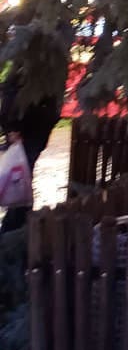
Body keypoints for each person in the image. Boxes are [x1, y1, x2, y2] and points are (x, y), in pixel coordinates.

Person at [0, 68, 63, 233]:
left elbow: (53, 108)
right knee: (20, 176)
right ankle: (16, 225)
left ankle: (16, 225)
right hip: (21, 133)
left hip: (33, 133)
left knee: (22, 176)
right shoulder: (26, 64)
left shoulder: (48, 69)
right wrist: (11, 128)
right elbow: (9, 97)